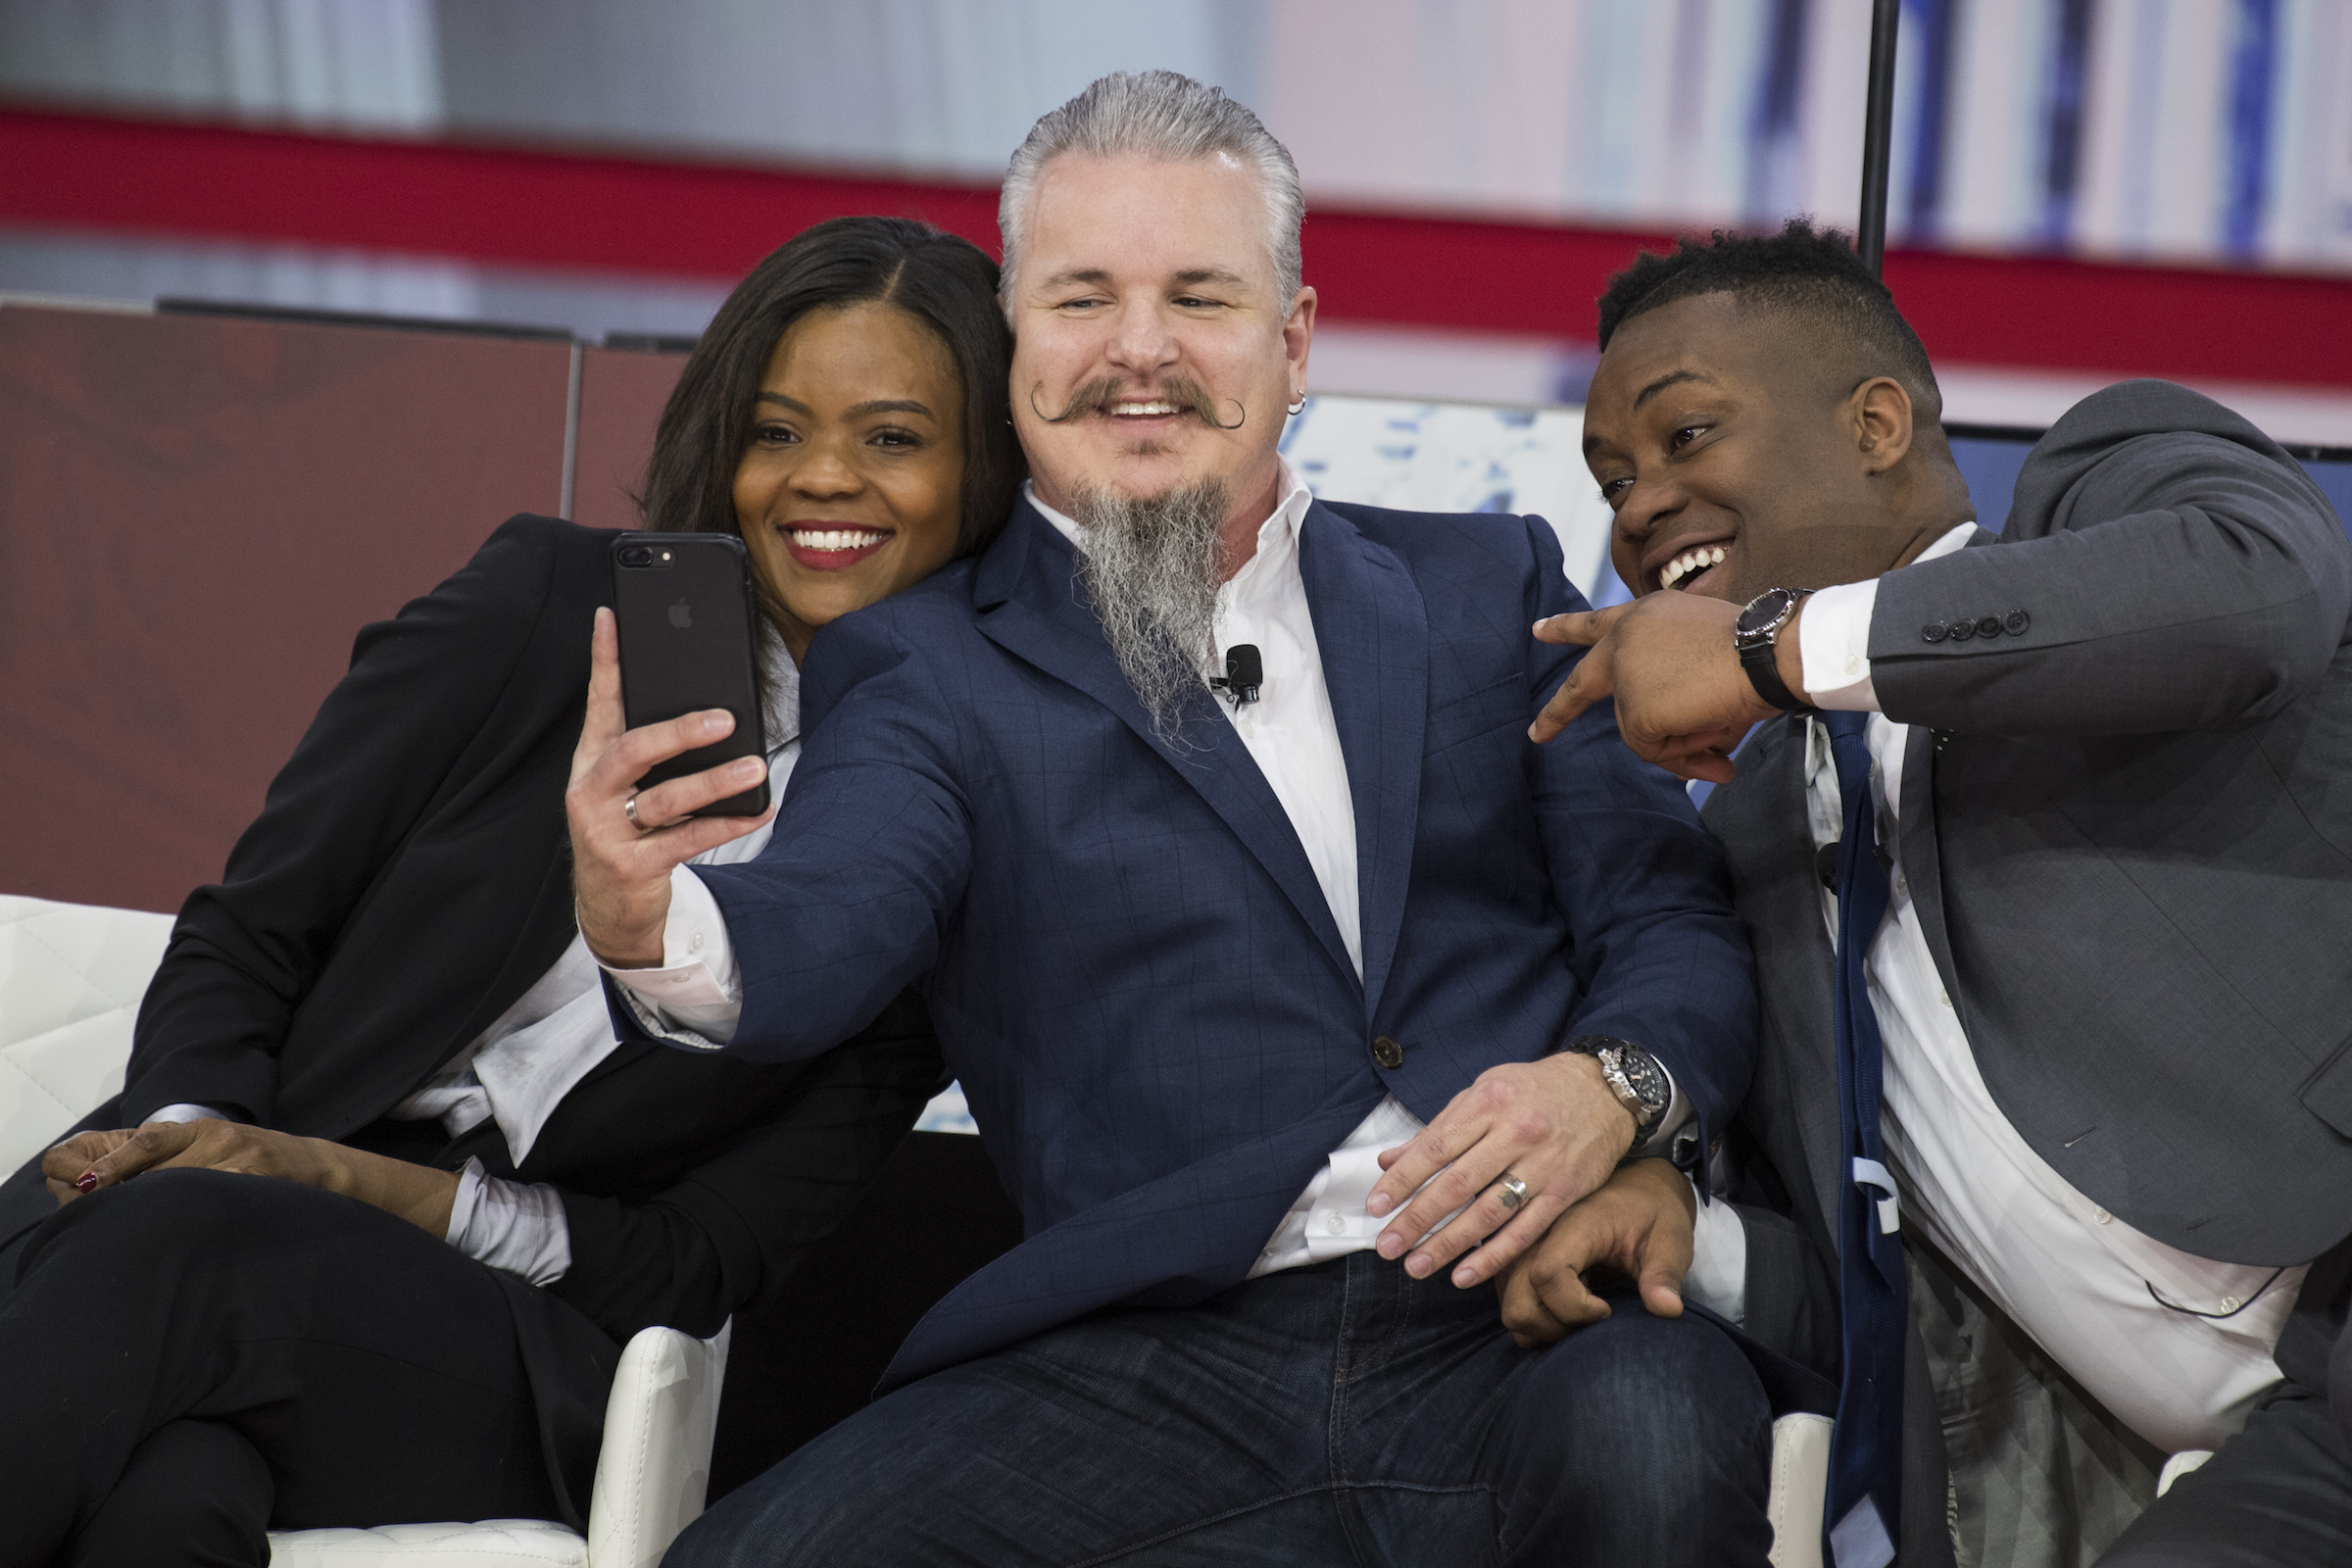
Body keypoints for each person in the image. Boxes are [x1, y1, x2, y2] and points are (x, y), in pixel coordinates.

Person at [568, 73, 1784, 1568]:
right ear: (1018, 341)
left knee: (1657, 1450)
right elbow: (829, 911)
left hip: (1525, 1312)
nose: (1139, 353)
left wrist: (1613, 1092)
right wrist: (659, 921)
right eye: (1083, 299)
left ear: (1293, 338)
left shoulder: (1491, 584)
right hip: (1147, 1362)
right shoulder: (927, 663)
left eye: (1199, 297)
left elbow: (1666, 921)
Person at [0, 215, 1022, 1567]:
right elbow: (251, 931)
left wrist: (329, 1185)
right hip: (196, 1219)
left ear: (986, 475)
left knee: (180, 1261)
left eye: (894, 437)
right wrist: (198, 1130)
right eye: (775, 431)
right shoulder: (540, 605)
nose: (820, 478)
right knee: (166, 1505)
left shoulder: (953, 844)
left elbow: (698, 1260)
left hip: (503, 1343)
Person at [1515, 221, 2352, 1567]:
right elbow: (1886, 1280)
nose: (1638, 505)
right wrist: (1696, 1240)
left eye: (1685, 438)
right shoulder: (1749, 842)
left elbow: (2262, 593)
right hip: (2286, 1453)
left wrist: (1775, 649)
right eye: (1610, 478)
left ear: (1879, 422)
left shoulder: (2106, 486)